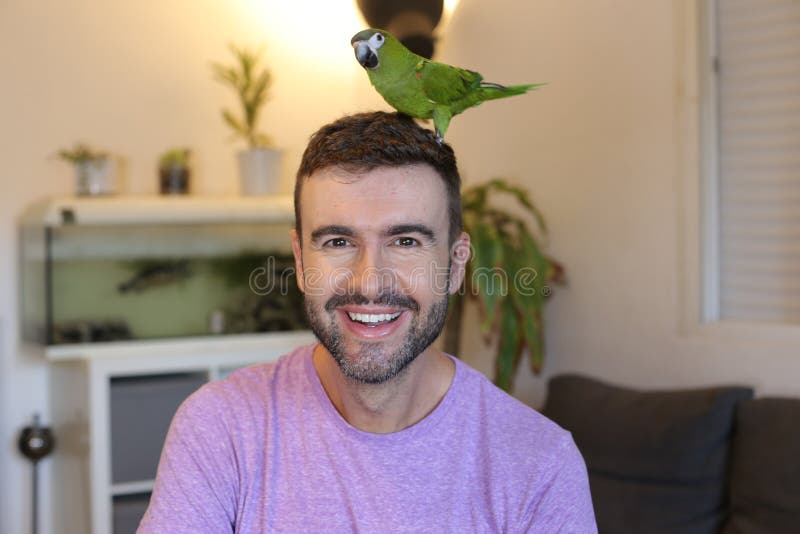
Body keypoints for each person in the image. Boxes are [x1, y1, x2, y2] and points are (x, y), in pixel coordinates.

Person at [138, 112, 597, 533]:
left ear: (456, 265)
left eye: (406, 241)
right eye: (338, 242)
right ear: (300, 262)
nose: (370, 282)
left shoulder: (539, 466)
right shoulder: (221, 429)